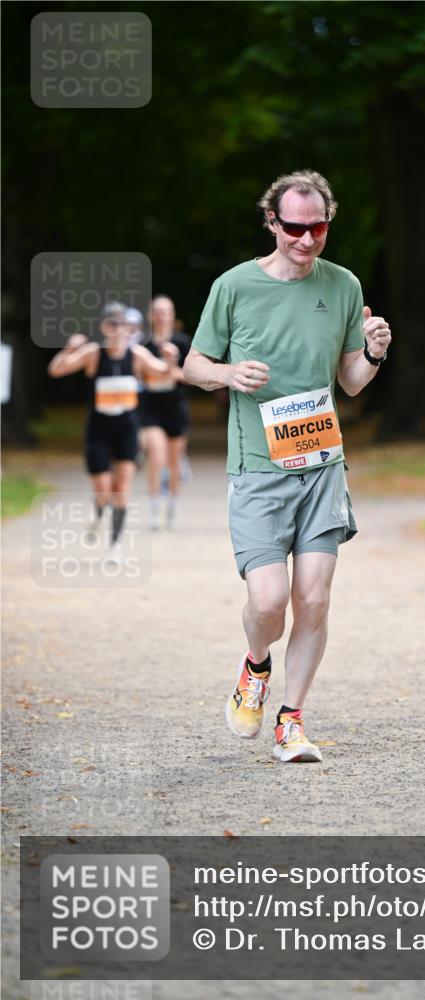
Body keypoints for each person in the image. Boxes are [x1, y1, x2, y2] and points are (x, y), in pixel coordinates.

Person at [184, 169, 391, 763]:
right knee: (269, 601)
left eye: (317, 227)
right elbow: (193, 364)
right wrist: (227, 373)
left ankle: (291, 721)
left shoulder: (343, 285)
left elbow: (351, 381)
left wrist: (374, 351)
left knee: (315, 600)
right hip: (257, 466)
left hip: (322, 463)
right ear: (272, 222)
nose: (306, 239)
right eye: (294, 228)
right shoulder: (234, 286)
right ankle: (256, 667)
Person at [48, 302, 178, 562]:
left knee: (121, 489)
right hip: (98, 431)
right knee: (103, 490)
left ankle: (115, 546)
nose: (119, 330)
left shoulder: (137, 354)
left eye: (125, 325)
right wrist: (69, 349)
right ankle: (98, 512)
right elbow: (56, 370)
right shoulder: (93, 354)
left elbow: (164, 373)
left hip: (127, 430)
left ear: (132, 329)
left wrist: (170, 359)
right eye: (113, 323)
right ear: (104, 327)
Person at [139, 296, 192, 530]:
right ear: (151, 316)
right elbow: (137, 372)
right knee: (156, 457)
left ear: (172, 315)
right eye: (157, 312)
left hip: (175, 406)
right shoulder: (143, 344)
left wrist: (170, 371)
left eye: (165, 311)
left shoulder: (182, 342)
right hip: (150, 407)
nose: (161, 316)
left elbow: (192, 375)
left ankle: (171, 505)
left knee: (173, 462)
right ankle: (153, 508)